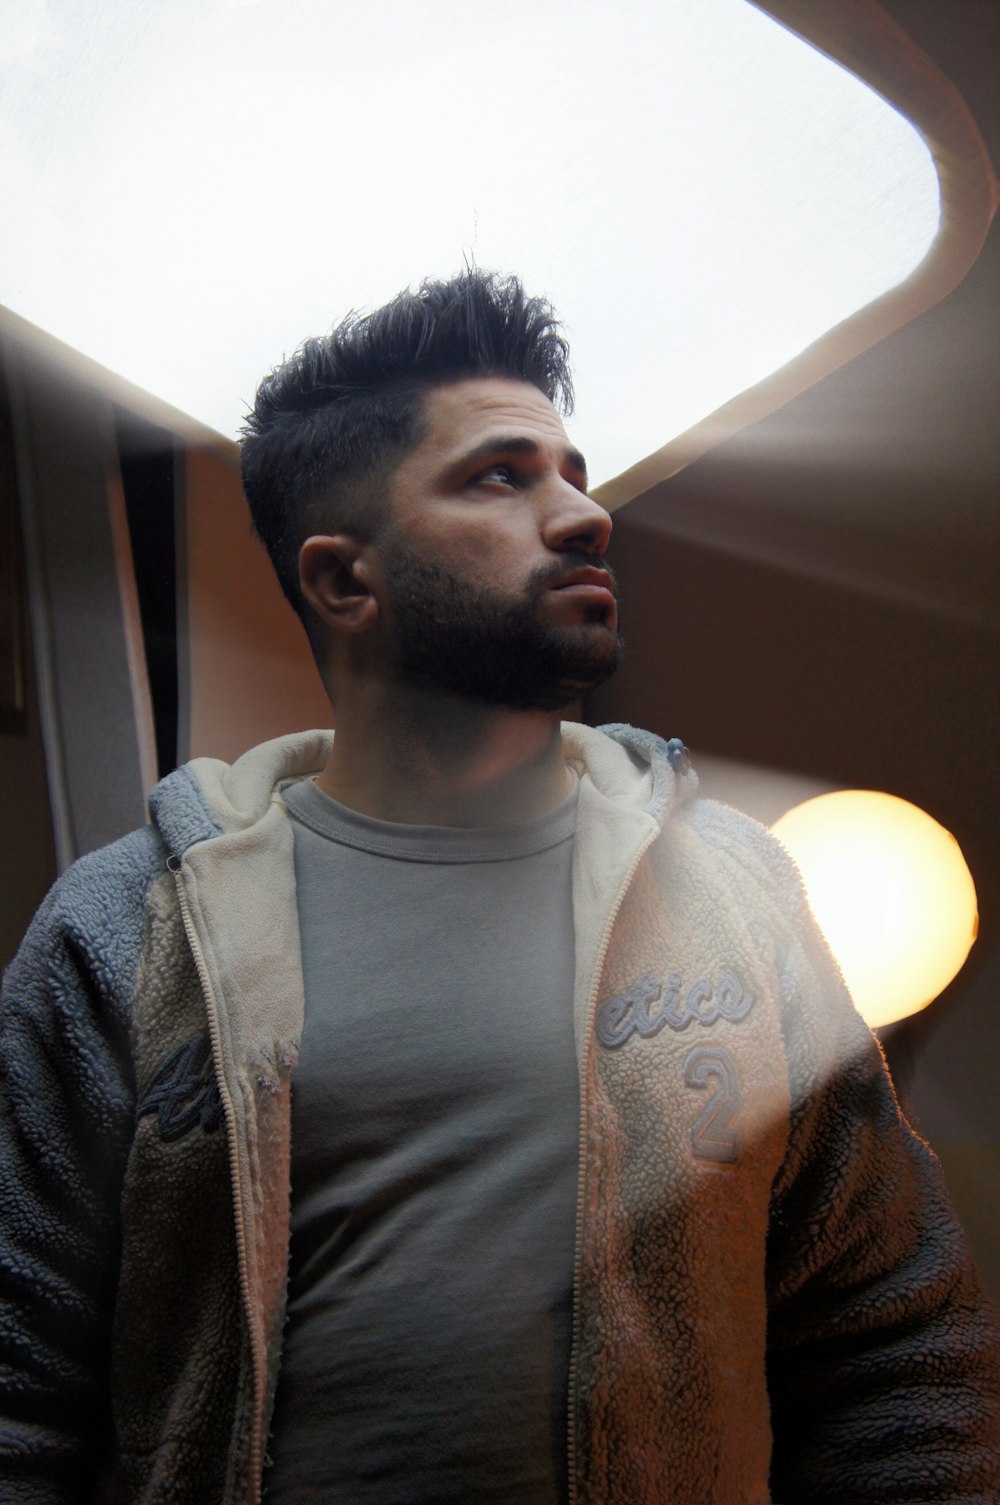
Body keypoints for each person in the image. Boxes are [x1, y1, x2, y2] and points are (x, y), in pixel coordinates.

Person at [1, 269, 997, 1505]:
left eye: (572, 469)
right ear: (341, 580)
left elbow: (891, 1336)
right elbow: (18, 1382)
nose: (583, 514)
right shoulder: (130, 926)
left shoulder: (733, 888)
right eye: (499, 475)